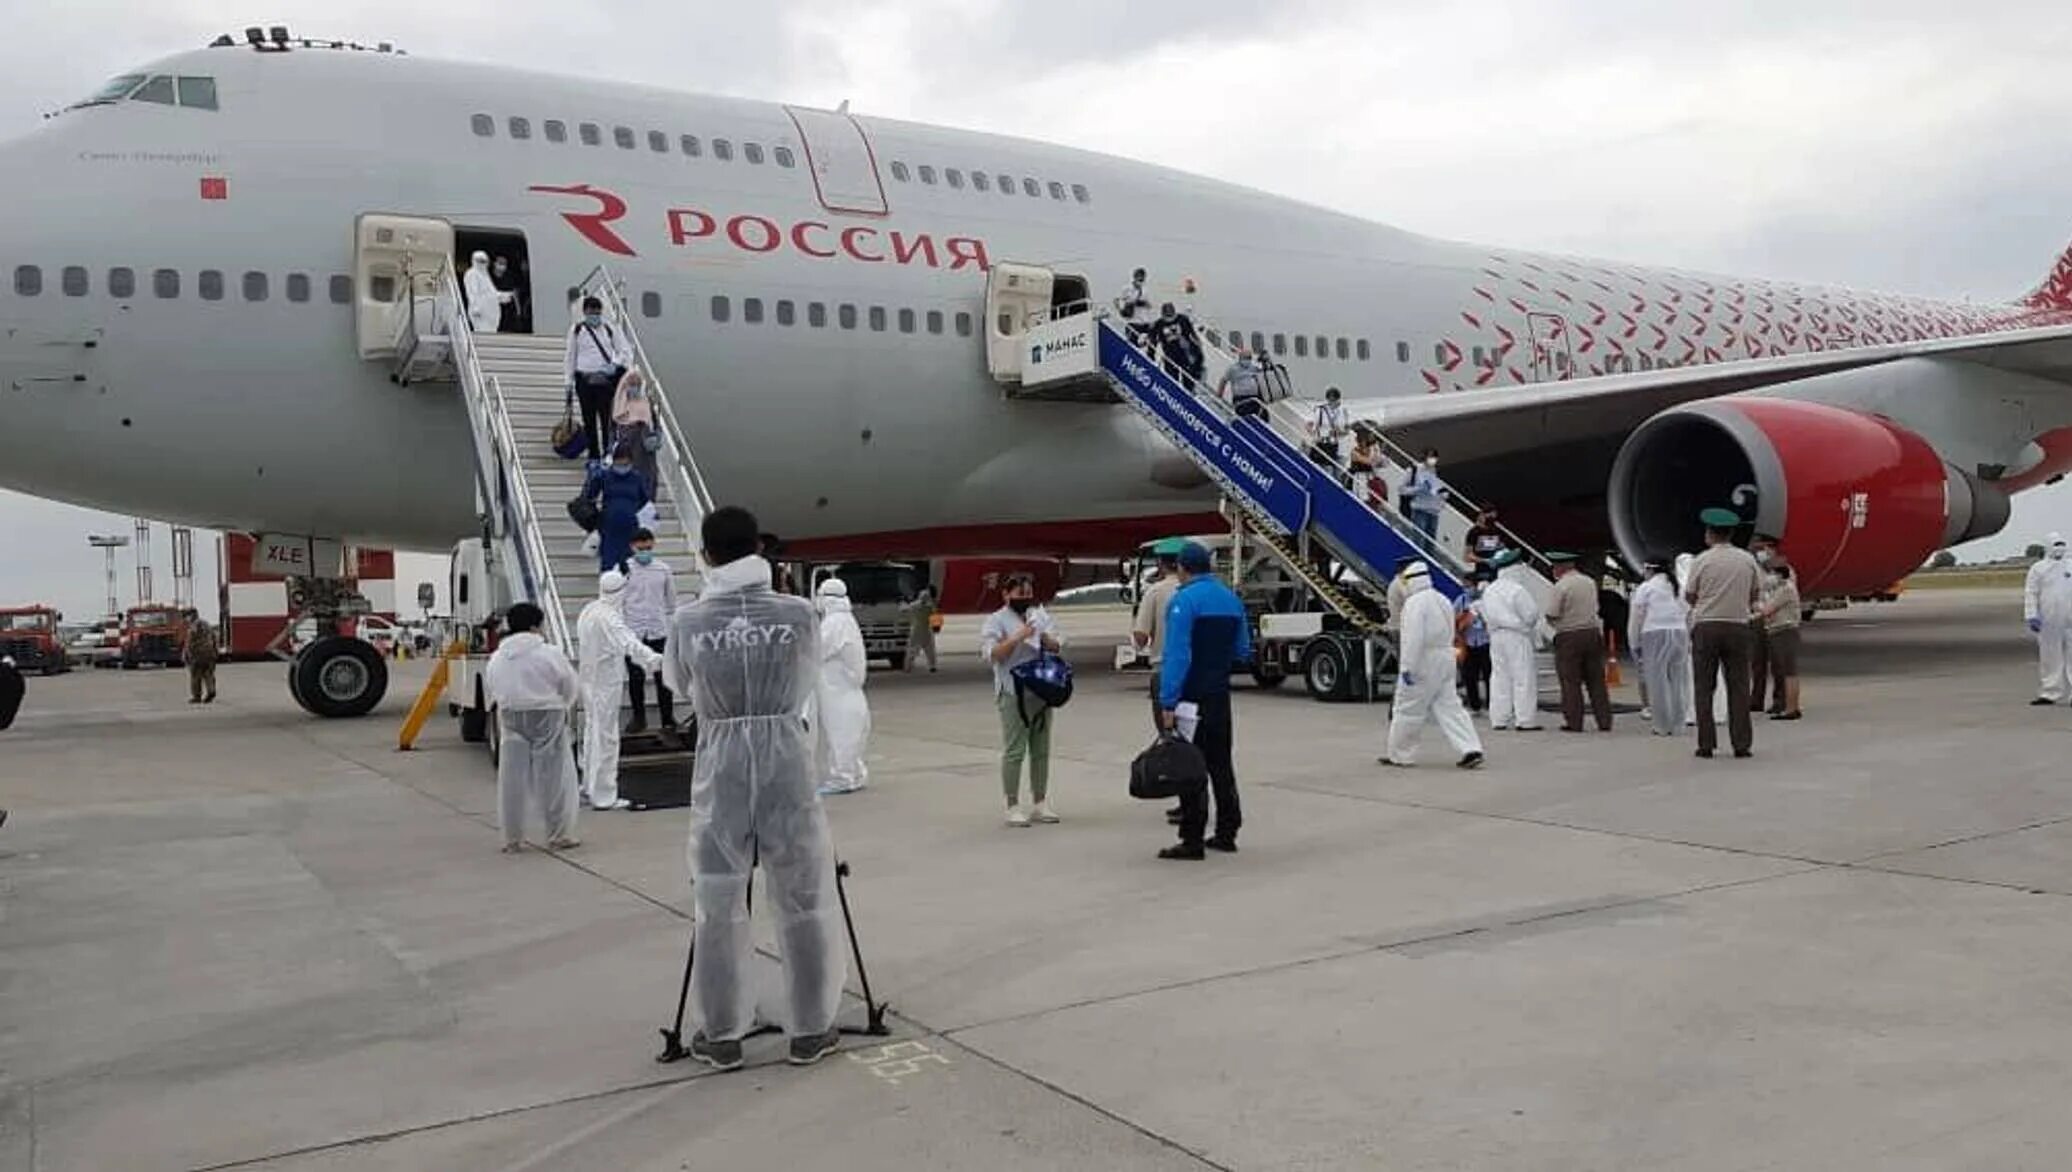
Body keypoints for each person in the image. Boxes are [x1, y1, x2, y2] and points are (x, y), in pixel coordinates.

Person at [662, 505, 845, 1070]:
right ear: (759, 549)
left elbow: (679, 681)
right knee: (802, 891)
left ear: (707, 555)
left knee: (717, 895)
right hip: (785, 753)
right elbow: (810, 674)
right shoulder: (799, 613)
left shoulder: (689, 621)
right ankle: (811, 1027)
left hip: (721, 760)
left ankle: (722, 1033)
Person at [1157, 541, 1252, 858]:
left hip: (1191, 697)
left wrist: (1168, 701)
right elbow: (1242, 649)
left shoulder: (1183, 601)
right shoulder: (1231, 599)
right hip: (1219, 695)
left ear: (1182, 568)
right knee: (1221, 765)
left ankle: (1192, 839)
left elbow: (1177, 654)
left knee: (1190, 766)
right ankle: (1227, 831)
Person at [483, 602, 581, 853]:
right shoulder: (549, 653)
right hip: (547, 713)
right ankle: (558, 834)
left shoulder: (498, 656)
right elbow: (569, 685)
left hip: (510, 715)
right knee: (554, 776)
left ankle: (512, 838)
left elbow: (492, 686)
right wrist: (563, 705)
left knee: (511, 778)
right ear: (535, 626)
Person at [1380, 562, 1486, 769]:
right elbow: (1451, 629)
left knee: (1408, 709)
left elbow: (1413, 639)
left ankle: (1401, 754)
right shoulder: (1442, 599)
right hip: (1445, 657)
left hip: (1423, 660)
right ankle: (1471, 748)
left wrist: (1407, 667)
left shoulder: (1414, 603)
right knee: (1451, 707)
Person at [981, 573, 1064, 828]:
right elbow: (993, 654)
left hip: (1040, 691)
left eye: (1028, 593)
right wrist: (1019, 636)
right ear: (1006, 594)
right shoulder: (996, 620)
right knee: (1014, 750)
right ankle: (1012, 804)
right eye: (1020, 593)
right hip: (1012, 691)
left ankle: (1040, 801)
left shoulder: (1039, 615)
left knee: (1041, 749)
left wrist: (1044, 637)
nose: (1025, 598)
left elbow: (1057, 645)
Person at [576, 569, 663, 811]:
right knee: (606, 738)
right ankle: (604, 795)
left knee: (592, 733)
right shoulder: (609, 618)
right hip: (604, 683)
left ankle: (588, 786)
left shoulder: (590, 610)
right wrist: (654, 659)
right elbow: (628, 643)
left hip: (589, 679)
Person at [1685, 507, 1764, 759]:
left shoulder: (1701, 560)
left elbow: (1690, 595)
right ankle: (1741, 744)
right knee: (1739, 686)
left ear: (1710, 533)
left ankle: (1706, 744)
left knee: (1704, 687)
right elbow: (1756, 593)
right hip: (1738, 626)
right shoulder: (1747, 560)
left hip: (1707, 626)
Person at [813, 578, 872, 796]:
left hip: (838, 691)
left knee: (841, 735)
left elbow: (815, 651)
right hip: (846, 690)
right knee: (850, 735)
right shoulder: (846, 620)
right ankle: (854, 774)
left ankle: (843, 777)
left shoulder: (834, 624)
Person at [1544, 551, 1612, 732]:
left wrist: (1555, 625)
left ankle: (1574, 722)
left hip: (1569, 636)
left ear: (1559, 568)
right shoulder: (1589, 582)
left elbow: (1552, 613)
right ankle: (1604, 721)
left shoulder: (1561, 586)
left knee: (1570, 681)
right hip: (1592, 633)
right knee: (1596, 680)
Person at [621, 528, 678, 734]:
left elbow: (671, 601)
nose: (644, 552)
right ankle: (639, 718)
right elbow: (618, 600)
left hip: (657, 629)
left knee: (664, 677)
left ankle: (668, 718)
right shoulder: (623, 569)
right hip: (633, 630)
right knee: (635, 677)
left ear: (653, 545)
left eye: (648, 548)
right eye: (640, 549)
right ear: (632, 547)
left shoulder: (663, 569)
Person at [1628, 556, 1691, 737]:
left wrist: (1634, 642)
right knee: (1678, 680)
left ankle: (1662, 725)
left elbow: (1637, 617)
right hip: (1679, 633)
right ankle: (1679, 724)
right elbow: (1688, 613)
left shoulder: (1646, 588)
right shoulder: (1678, 587)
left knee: (1657, 681)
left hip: (1654, 633)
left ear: (1649, 569)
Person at [1481, 551, 1544, 730]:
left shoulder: (1490, 590)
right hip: (1517, 635)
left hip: (1496, 636)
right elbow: (1531, 614)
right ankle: (1525, 720)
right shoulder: (1517, 590)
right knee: (1523, 677)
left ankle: (1499, 718)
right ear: (1515, 568)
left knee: (1499, 677)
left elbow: (1484, 613)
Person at [565, 295, 626, 460]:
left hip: (604, 380)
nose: (595, 316)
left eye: (598, 313)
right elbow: (570, 357)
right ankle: (593, 455)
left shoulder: (608, 329)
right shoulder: (577, 330)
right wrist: (568, 382)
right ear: (585, 312)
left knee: (606, 419)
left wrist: (614, 364)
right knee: (589, 419)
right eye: (592, 313)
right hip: (584, 379)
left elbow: (623, 351)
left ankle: (608, 452)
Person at [1133, 541, 1184, 724]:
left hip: (1164, 669)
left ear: (1160, 564)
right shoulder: (1201, 590)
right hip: (1197, 671)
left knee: (1167, 729)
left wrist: (1138, 646)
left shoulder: (1154, 592)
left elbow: (1141, 636)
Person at [582, 440, 651, 572]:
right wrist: (594, 477)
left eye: (625, 463)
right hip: (609, 526)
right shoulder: (605, 475)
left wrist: (632, 511)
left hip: (630, 527)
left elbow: (644, 500)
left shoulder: (637, 478)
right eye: (619, 463)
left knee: (629, 565)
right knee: (609, 564)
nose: (622, 466)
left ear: (631, 461)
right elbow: (590, 495)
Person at [2025, 533, 2072, 705]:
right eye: (2056, 544)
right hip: (2048, 620)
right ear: (2048, 546)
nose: (2059, 548)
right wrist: (2031, 615)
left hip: (2070, 618)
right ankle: (2050, 692)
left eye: (2062, 544)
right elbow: (2031, 593)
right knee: (2050, 656)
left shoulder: (2070, 565)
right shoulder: (2038, 568)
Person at [1758, 561, 1804, 720]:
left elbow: (1767, 610)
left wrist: (1758, 605)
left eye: (1773, 574)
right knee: (1786, 671)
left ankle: (1791, 709)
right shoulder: (1783, 589)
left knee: (1789, 672)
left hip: (1784, 631)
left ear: (1780, 575)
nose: (1770, 577)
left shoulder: (1785, 590)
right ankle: (1790, 707)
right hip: (1780, 631)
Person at [612, 366, 659, 494]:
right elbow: (613, 429)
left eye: (637, 384)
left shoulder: (646, 402)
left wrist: (655, 436)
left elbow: (655, 425)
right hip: (627, 448)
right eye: (631, 383)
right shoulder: (620, 404)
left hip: (644, 448)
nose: (634, 387)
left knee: (648, 475)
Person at [1747, 533, 1780, 713]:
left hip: (1777, 619)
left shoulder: (1784, 570)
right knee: (1757, 662)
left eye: (1762, 548)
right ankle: (1756, 699)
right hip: (1758, 619)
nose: (1759, 551)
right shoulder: (1753, 568)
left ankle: (1779, 700)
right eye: (1756, 548)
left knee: (1778, 663)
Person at [1454, 567, 1494, 714]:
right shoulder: (1461, 600)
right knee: (1469, 675)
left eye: (1469, 586)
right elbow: (1453, 619)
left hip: (1485, 641)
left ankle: (1491, 704)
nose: (1467, 589)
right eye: (1464, 586)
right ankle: (1474, 705)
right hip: (1468, 642)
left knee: (1489, 674)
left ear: (1477, 585)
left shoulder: (1487, 600)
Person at [462, 250, 511, 335]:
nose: (483, 264)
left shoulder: (485, 275)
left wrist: (502, 296)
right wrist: (475, 306)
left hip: (491, 313)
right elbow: (472, 293)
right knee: (483, 333)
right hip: (480, 312)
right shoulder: (472, 274)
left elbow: (491, 292)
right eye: (480, 261)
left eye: (484, 261)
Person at [1401, 449, 1446, 540]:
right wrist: (1418, 489)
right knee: (1418, 539)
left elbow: (1438, 489)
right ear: (1424, 457)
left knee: (1430, 542)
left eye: (1434, 457)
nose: (1432, 460)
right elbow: (1402, 489)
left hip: (1433, 511)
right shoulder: (1414, 470)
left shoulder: (1435, 471)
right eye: (1430, 457)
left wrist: (1442, 498)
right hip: (1420, 509)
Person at [1152, 302, 1202, 384]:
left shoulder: (1183, 319)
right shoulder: (1159, 324)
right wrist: (1151, 356)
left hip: (1185, 354)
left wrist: (1196, 349)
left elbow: (1193, 335)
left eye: (1170, 315)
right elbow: (1153, 340)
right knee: (1172, 379)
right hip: (1170, 355)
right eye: (1167, 316)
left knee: (1188, 378)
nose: (1169, 319)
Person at [1308, 387, 1351, 476]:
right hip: (1324, 446)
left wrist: (1339, 432)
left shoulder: (1344, 411)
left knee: (1338, 475)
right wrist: (1314, 435)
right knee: (1327, 472)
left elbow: (1347, 430)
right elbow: (1310, 425)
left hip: (1341, 448)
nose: (1332, 402)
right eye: (1330, 399)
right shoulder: (1320, 410)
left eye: (1334, 399)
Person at [1217, 347, 1267, 418]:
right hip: (1240, 399)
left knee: (1263, 413)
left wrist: (1264, 361)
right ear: (1240, 358)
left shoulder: (1254, 368)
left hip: (1254, 398)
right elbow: (1223, 381)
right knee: (1247, 410)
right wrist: (1219, 396)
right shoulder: (1233, 368)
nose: (1247, 360)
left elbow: (1265, 375)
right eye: (1245, 358)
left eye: (1249, 358)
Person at [181, 608, 218, 704]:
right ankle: (211, 690)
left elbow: (189, 642)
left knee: (195, 676)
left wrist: (186, 654)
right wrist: (215, 651)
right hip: (209, 653)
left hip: (197, 655)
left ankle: (197, 696)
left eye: (187, 616)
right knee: (208, 674)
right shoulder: (207, 624)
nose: (186, 619)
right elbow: (214, 638)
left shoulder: (193, 626)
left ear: (191, 616)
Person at [899, 584, 938, 672]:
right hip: (927, 629)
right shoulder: (931, 606)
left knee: (912, 648)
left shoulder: (915, 605)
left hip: (916, 629)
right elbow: (935, 616)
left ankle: (908, 666)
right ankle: (932, 666)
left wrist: (902, 602)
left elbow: (903, 609)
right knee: (930, 649)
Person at [1349, 430, 1387, 510]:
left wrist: (1376, 451)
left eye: (1365, 441)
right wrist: (1374, 458)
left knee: (1372, 499)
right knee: (1361, 500)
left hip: (1369, 477)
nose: (1364, 443)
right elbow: (1368, 462)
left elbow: (1381, 463)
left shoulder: (1370, 450)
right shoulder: (1354, 451)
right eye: (1362, 441)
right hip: (1359, 477)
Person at [490, 255, 526, 334]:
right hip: (492, 309)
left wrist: (518, 312)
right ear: (494, 263)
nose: (502, 266)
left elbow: (515, 293)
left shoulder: (509, 277)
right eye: (500, 263)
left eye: (504, 264)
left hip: (507, 311)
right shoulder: (488, 277)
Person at [1115, 267, 1152, 343]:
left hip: (1145, 321)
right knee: (1132, 343)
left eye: (1142, 279)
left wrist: (1144, 303)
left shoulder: (1145, 290)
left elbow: (1150, 306)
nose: (1141, 281)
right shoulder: (1127, 289)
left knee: (1148, 343)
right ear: (1135, 277)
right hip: (1133, 322)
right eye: (1139, 278)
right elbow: (1116, 300)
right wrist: (1121, 310)